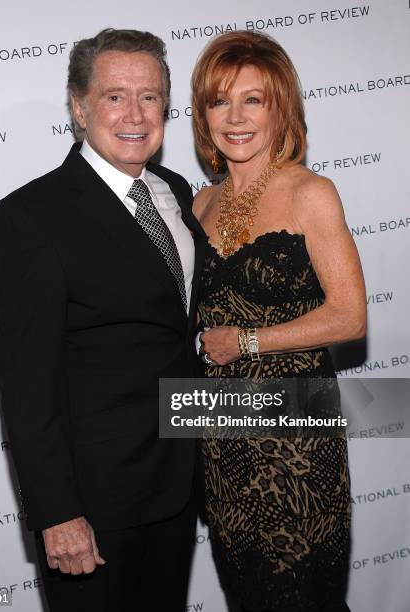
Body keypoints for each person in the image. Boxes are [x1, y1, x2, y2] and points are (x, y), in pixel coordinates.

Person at [0, 28, 206, 612]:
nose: (135, 113)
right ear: (80, 108)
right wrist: (57, 513)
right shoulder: (32, 216)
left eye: (151, 96)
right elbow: (26, 382)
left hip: (177, 483)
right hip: (94, 503)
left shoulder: (176, 193)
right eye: (115, 96)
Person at [191, 31, 366, 612]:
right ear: (203, 113)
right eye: (220, 101)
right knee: (245, 593)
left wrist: (246, 341)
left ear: (280, 109)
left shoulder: (309, 193)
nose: (235, 117)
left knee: (300, 596)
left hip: (294, 438)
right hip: (221, 439)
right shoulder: (198, 205)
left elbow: (350, 315)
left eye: (253, 100)